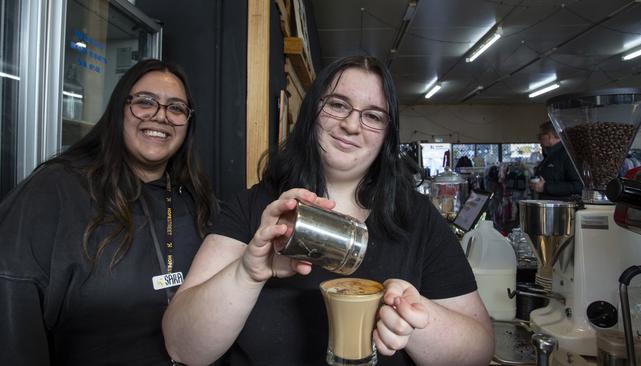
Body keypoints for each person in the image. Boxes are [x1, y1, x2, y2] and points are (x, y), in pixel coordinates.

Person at [162, 55, 494, 366]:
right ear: (311, 113)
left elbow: (479, 351)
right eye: (337, 105)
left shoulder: (417, 217)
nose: (352, 125)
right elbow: (182, 346)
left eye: (373, 115)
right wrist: (248, 271)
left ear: (387, 137)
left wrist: (418, 322)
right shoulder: (254, 208)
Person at [0, 59, 217, 365]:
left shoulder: (195, 200)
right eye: (145, 102)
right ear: (119, 109)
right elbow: (12, 312)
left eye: (176, 108)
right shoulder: (55, 190)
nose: (161, 116)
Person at [530, 121, 582, 200]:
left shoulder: (567, 154)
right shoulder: (550, 155)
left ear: (550, 136)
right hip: (547, 208)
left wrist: (545, 187)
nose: (538, 140)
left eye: (540, 136)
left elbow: (578, 186)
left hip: (561, 209)